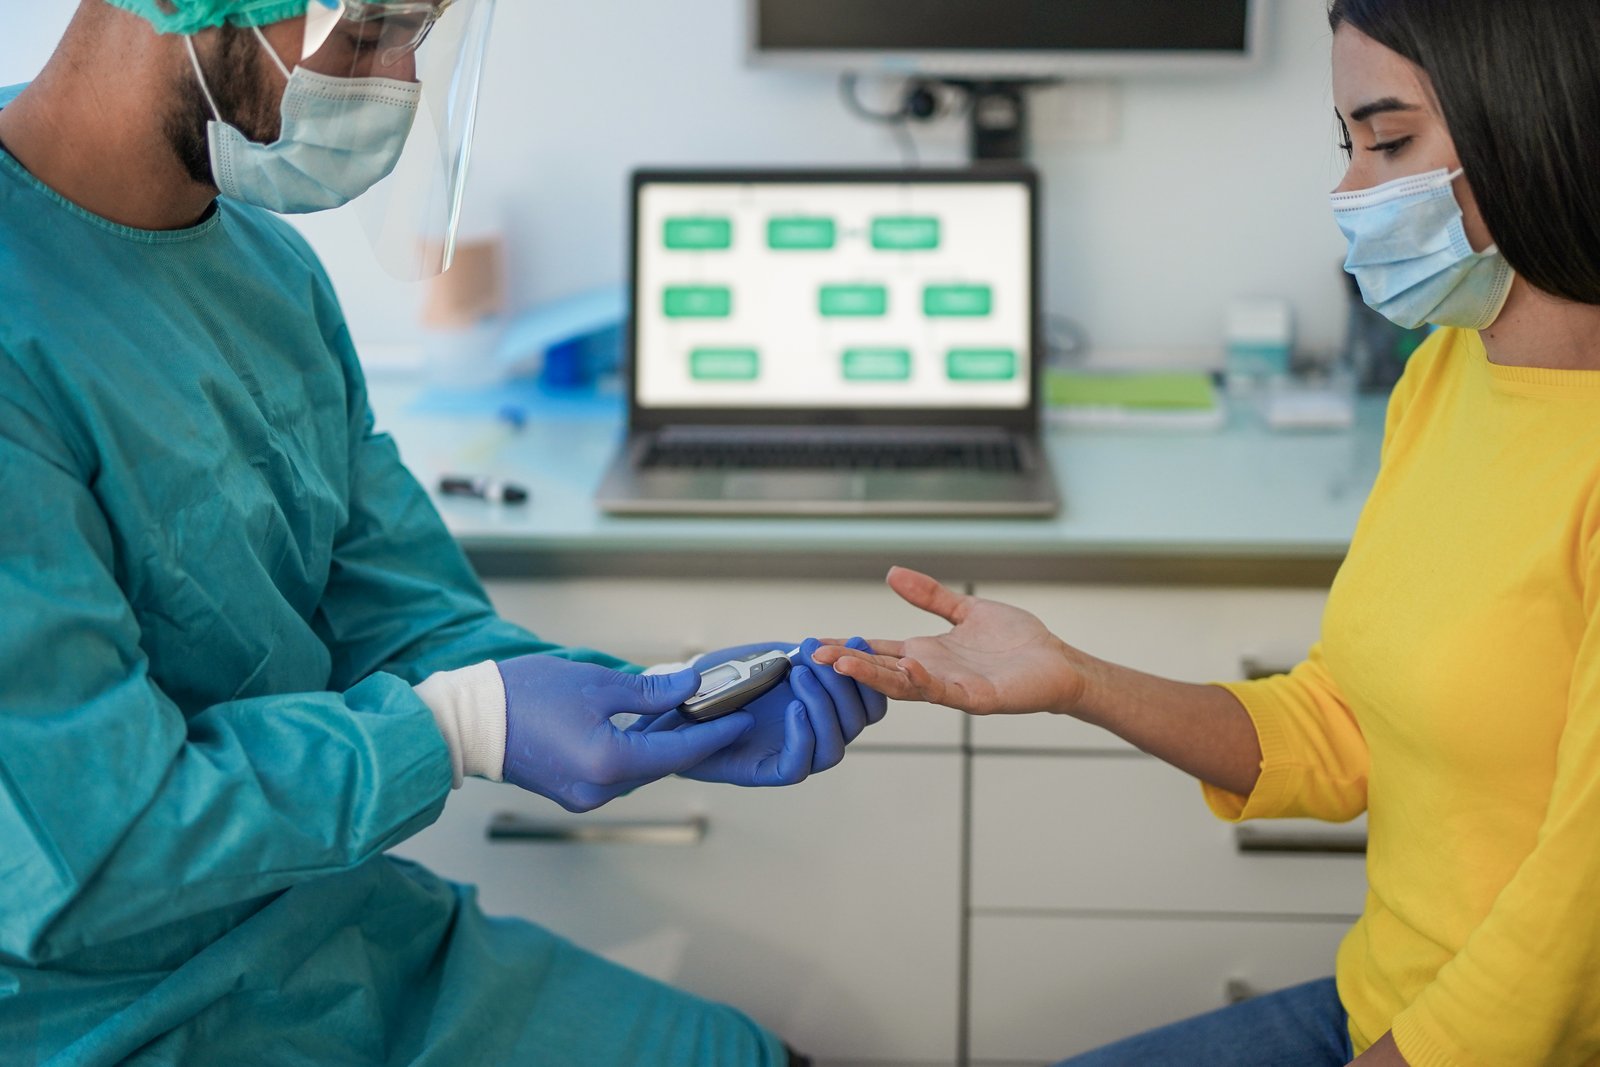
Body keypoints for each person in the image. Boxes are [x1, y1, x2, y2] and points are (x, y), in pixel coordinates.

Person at [0, 1, 884, 1062]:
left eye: (419, 38)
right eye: (372, 32)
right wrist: (461, 725)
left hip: (329, 933)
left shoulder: (268, 271)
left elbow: (405, 610)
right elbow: (86, 850)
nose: (399, 86)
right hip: (104, 1009)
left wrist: (649, 703)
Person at [814, 1, 1600, 1064]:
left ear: (1538, 127)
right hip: (1386, 1001)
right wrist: (1075, 677)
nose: (1349, 190)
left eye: (1389, 141)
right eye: (1347, 146)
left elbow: (1576, 915)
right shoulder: (1445, 377)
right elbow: (1340, 724)